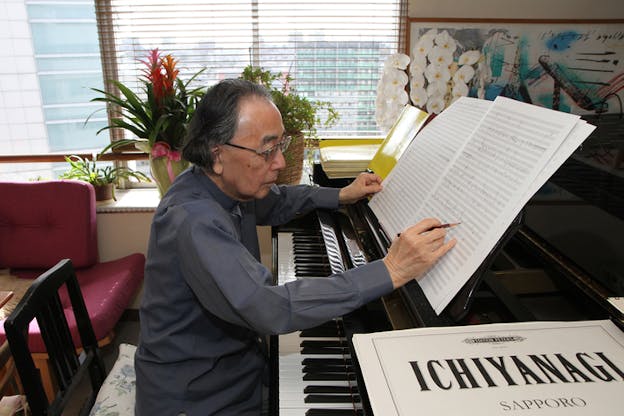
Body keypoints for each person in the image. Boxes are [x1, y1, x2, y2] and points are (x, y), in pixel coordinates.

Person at [134, 78, 456, 415]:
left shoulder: (223, 183)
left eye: (281, 145)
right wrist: (390, 269)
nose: (279, 162)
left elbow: (277, 201)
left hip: (237, 366)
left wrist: (341, 194)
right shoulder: (193, 220)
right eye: (267, 150)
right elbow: (268, 308)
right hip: (198, 396)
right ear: (217, 154)